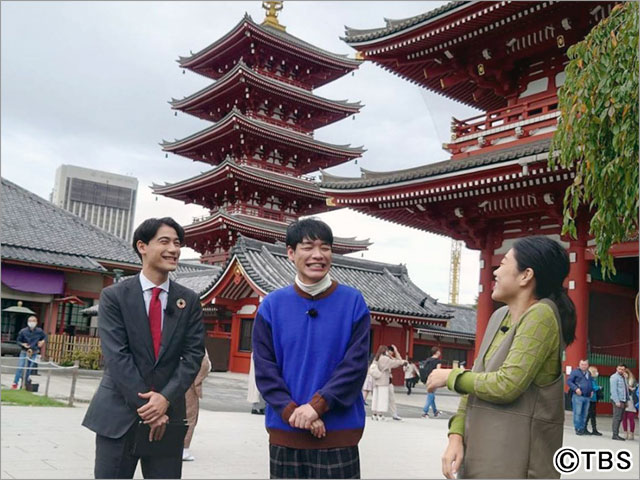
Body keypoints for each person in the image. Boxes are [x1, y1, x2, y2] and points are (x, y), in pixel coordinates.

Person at [427, 236, 576, 479]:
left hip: (517, 459)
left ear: (526, 275)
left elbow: (508, 384)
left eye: (504, 264)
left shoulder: (542, 314)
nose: (495, 271)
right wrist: (455, 436)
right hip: (481, 449)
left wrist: (450, 376)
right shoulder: (500, 317)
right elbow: (475, 379)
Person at [82, 217, 205, 479]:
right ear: (142, 246)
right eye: (164, 241)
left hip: (167, 417)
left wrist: (164, 399)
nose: (173, 249)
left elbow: (193, 356)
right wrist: (149, 407)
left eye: (177, 243)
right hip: (118, 414)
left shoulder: (189, 300)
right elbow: (117, 356)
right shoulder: (115, 296)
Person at [252, 218, 370, 479]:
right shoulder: (272, 306)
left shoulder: (353, 302)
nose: (318, 255)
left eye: (325, 247)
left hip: (338, 433)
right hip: (287, 431)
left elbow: (355, 366)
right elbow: (265, 369)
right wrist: (295, 412)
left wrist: (317, 406)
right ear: (291, 253)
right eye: (308, 247)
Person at [183, 349, 211, 461]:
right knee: (189, 415)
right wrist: (198, 381)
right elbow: (204, 363)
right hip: (188, 381)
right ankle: (183, 448)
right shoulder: (193, 338)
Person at [12, 315, 46, 389]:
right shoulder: (23, 331)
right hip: (24, 351)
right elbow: (18, 341)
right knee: (20, 367)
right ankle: (15, 383)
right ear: (27, 322)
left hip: (34, 352)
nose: (31, 322)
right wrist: (23, 344)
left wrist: (42, 342)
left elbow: (44, 337)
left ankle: (25, 382)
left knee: (29, 368)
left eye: (33, 321)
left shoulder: (39, 331)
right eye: (30, 321)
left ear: (36, 322)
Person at [567, 359, 593, 435]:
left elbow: (590, 382)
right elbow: (569, 381)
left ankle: (582, 428)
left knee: (584, 413)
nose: (584, 366)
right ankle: (577, 428)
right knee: (577, 413)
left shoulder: (589, 373)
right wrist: (576, 388)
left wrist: (591, 391)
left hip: (587, 396)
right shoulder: (575, 372)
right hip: (578, 396)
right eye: (582, 364)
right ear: (579, 364)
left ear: (588, 365)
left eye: (585, 364)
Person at [420, 347, 442, 418]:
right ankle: (425, 411)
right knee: (431, 395)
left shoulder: (427, 360)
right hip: (434, 379)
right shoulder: (438, 361)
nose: (440, 352)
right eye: (439, 351)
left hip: (427, 379)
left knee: (431, 395)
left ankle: (435, 411)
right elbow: (438, 371)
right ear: (437, 352)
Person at [610, 363, 629, 441]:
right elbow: (613, 390)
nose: (621, 370)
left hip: (623, 400)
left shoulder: (624, 377)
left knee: (620, 417)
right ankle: (615, 434)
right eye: (619, 369)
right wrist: (617, 401)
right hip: (617, 400)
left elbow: (625, 389)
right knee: (617, 417)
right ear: (616, 368)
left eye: (623, 369)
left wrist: (627, 400)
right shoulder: (614, 377)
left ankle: (616, 433)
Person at [585, 366, 603, 435]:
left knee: (593, 415)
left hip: (594, 399)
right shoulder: (589, 379)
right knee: (589, 414)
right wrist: (599, 387)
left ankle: (594, 429)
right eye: (595, 371)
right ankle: (585, 428)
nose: (597, 373)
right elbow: (591, 387)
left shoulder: (593, 379)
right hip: (590, 399)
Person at [622, 367, 637, 440]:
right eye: (623, 374)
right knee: (624, 417)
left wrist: (629, 387)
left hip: (631, 400)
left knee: (631, 417)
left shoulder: (633, 381)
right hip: (623, 400)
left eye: (625, 374)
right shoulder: (621, 380)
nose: (624, 375)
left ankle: (631, 433)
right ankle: (625, 432)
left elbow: (635, 390)